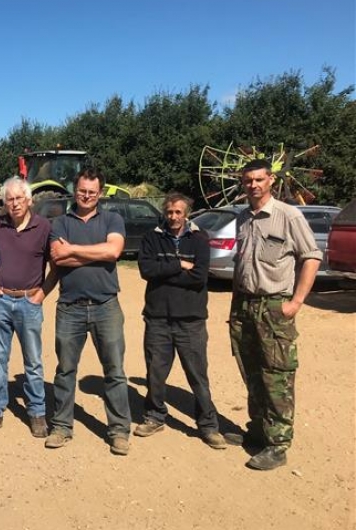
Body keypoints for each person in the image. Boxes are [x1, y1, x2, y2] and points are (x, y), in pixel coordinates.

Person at [228, 159, 321, 471]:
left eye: (259, 179)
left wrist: (295, 302)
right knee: (251, 369)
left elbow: (311, 257)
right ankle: (258, 431)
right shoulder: (243, 218)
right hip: (244, 305)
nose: (253, 185)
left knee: (277, 375)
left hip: (273, 306)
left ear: (270, 180)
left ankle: (278, 444)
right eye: (248, 180)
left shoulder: (287, 215)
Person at [46, 167, 132, 455]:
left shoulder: (112, 218)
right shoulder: (60, 222)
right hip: (70, 307)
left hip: (106, 305)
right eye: (82, 190)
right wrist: (94, 251)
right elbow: (58, 257)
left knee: (115, 371)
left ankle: (119, 431)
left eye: (92, 192)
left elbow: (113, 253)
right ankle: (61, 426)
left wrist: (75, 250)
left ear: (100, 193)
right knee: (65, 370)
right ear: (74, 189)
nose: (86, 196)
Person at [135, 192, 226, 449]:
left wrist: (167, 271)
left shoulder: (199, 239)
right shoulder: (152, 237)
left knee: (198, 375)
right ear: (164, 212)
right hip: (158, 318)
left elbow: (199, 277)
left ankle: (208, 424)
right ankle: (154, 416)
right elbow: (146, 270)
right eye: (169, 212)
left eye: (178, 212)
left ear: (186, 213)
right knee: (155, 372)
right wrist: (179, 265)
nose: (173, 217)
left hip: (190, 320)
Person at [0, 178, 55, 438]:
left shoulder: (44, 227)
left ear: (30, 200)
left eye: (20, 198)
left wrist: (42, 293)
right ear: (4, 202)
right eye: (10, 199)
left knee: (32, 361)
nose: (15, 203)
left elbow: (56, 264)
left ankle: (37, 412)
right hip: (0, 301)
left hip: (29, 302)